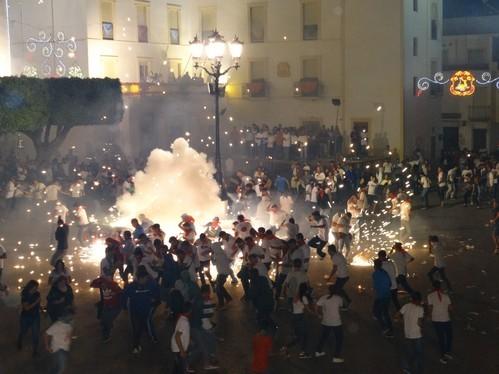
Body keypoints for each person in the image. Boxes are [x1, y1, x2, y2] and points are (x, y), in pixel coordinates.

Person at [122, 266, 160, 353]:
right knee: (136, 328)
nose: (147, 279)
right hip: (134, 312)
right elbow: (124, 296)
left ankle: (147, 338)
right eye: (146, 278)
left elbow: (156, 293)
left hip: (145, 311)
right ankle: (136, 346)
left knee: (143, 325)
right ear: (140, 278)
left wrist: (155, 300)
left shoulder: (150, 285)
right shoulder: (131, 287)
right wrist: (124, 306)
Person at [282, 282, 313, 358]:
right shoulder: (304, 298)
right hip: (300, 317)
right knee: (304, 335)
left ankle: (286, 347)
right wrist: (315, 314)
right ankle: (303, 352)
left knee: (298, 336)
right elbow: (307, 309)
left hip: (294, 317)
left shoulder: (296, 296)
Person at [315, 284, 345, 363]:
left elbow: (317, 306)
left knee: (324, 337)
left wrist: (318, 314)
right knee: (339, 339)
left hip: (326, 321)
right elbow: (341, 307)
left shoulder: (323, 298)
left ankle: (318, 351)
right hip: (336, 322)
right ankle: (336, 356)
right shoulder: (339, 298)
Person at [398, 292, 424, 374]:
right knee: (418, 352)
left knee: (408, 351)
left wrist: (402, 321)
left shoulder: (406, 306)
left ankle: (406, 367)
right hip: (416, 335)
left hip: (407, 334)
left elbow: (397, 315)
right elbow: (419, 323)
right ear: (418, 300)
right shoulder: (420, 309)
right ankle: (417, 369)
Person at [90, 276, 122, 342]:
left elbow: (121, 292)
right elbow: (92, 284)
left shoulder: (113, 286)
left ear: (106, 283)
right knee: (104, 321)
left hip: (114, 307)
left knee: (107, 322)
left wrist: (115, 293)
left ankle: (106, 336)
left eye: (103, 285)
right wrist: (101, 278)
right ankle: (106, 333)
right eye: (101, 285)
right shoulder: (102, 288)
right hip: (106, 307)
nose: (102, 287)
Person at [44, 309, 74, 374]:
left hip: (65, 349)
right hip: (58, 349)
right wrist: (47, 346)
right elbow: (46, 334)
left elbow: (69, 334)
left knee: (56, 367)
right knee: (61, 368)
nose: (72, 319)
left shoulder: (69, 325)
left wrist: (70, 341)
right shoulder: (57, 325)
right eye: (71, 317)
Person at [17, 280, 41, 356]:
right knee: (23, 331)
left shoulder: (37, 294)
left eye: (37, 287)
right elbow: (26, 308)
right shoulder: (25, 294)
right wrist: (36, 302)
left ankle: (35, 351)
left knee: (35, 334)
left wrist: (42, 309)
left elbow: (38, 304)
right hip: (26, 317)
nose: (36, 289)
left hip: (35, 316)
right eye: (35, 287)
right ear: (30, 286)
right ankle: (19, 341)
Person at [372, 259, 394, 338]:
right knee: (385, 312)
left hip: (381, 296)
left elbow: (375, 286)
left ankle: (386, 329)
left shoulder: (375, 274)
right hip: (387, 295)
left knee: (379, 313)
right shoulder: (385, 272)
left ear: (375, 266)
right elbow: (390, 284)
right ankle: (390, 328)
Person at [327, 245, 351, 309]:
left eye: (328, 250)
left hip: (342, 276)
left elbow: (334, 268)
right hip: (344, 275)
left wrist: (330, 277)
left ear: (330, 251)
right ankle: (347, 300)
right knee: (338, 289)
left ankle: (345, 304)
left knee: (337, 290)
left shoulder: (335, 257)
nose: (328, 252)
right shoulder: (338, 255)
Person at [171, 302, 191, 374]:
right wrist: (182, 351)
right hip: (178, 348)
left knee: (177, 367)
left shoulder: (182, 318)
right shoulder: (184, 322)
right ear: (189, 311)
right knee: (180, 368)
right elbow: (177, 336)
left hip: (177, 348)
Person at [212, 242, 233, 308]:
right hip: (222, 273)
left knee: (218, 288)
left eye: (213, 248)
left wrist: (212, 258)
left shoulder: (219, 254)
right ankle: (228, 298)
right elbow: (215, 263)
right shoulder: (220, 253)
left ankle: (221, 304)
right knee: (220, 287)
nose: (212, 249)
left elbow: (214, 263)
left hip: (223, 273)